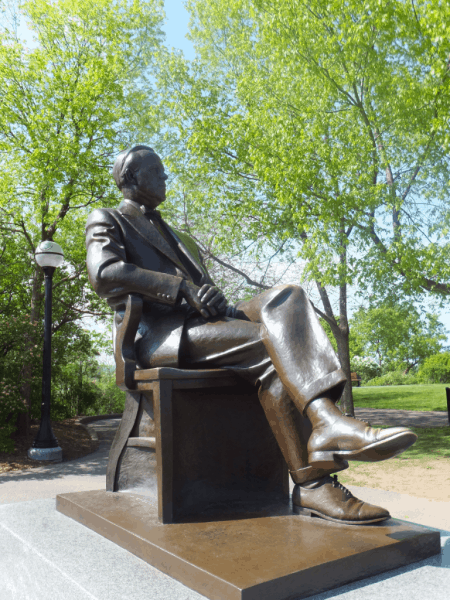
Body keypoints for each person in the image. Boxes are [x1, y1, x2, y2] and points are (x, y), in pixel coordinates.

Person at [85, 145, 417, 525]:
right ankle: (315, 475)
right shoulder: (109, 218)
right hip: (162, 335)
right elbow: (105, 272)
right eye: (157, 170)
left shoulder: (181, 237)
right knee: (269, 343)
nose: (165, 177)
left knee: (288, 297)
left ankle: (325, 430)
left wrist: (209, 294)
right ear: (131, 177)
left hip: (206, 323)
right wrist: (180, 288)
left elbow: (205, 290)